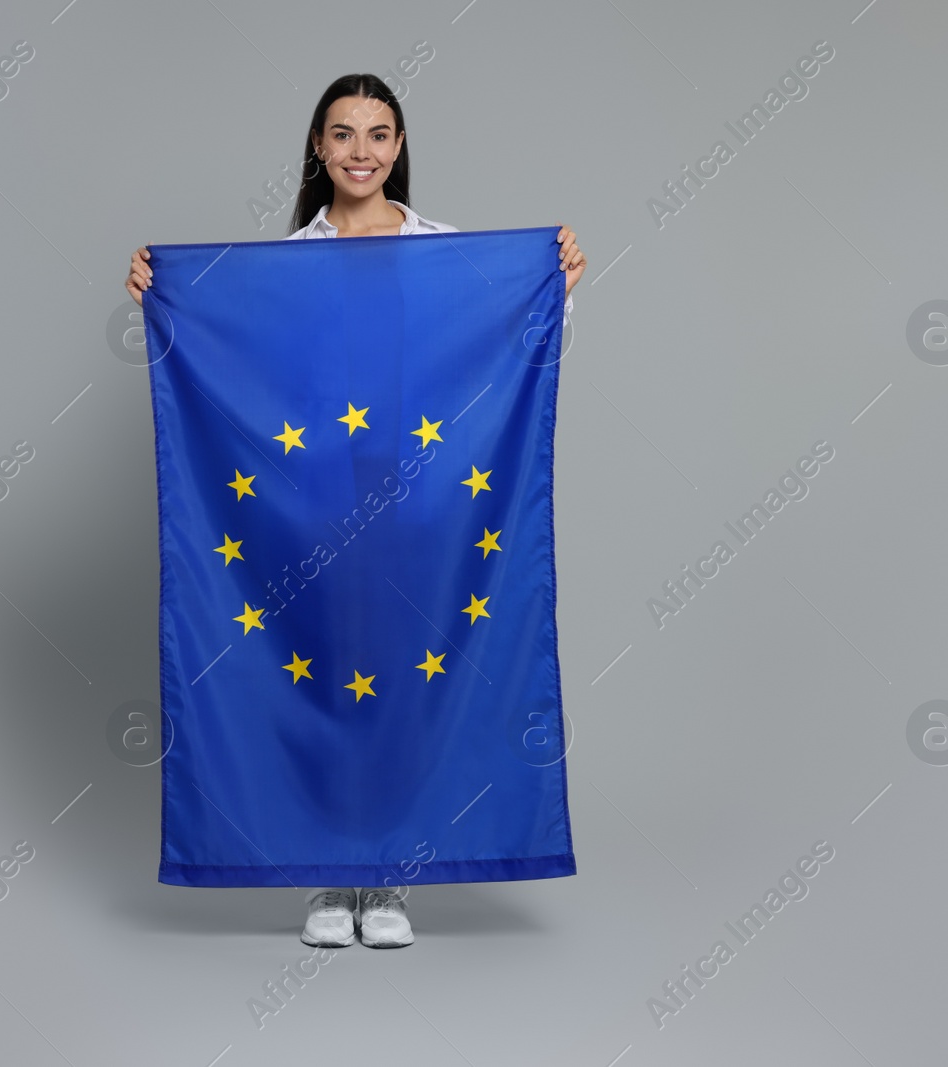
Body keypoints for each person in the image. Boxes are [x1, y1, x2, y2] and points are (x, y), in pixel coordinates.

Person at [125, 73, 586, 948]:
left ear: (400, 148)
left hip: (426, 506)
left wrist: (554, 280)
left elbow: (509, 342)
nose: (361, 152)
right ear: (318, 148)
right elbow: (241, 361)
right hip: (316, 508)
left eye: (378, 134)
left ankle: (394, 879)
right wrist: (162, 292)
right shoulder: (289, 261)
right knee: (330, 675)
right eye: (343, 135)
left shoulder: (448, 252)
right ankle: (331, 874)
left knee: (410, 679)